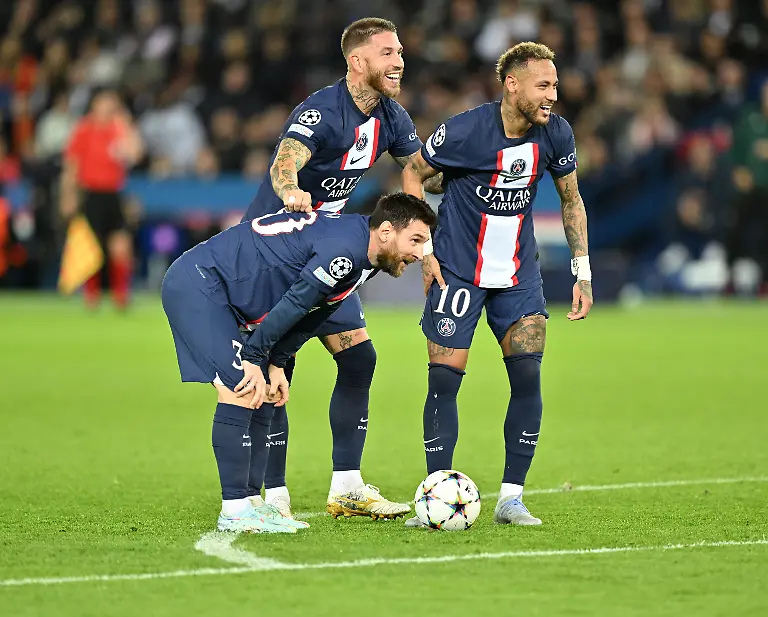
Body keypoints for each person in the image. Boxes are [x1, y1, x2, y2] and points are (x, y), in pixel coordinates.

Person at [240, 17, 443, 520]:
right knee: (276, 365)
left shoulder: (392, 116)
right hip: (276, 254)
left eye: (400, 52)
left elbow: (421, 171)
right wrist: (291, 190)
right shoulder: (322, 111)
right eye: (387, 53)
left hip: (330, 252)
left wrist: (478, 164)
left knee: (358, 359)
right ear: (357, 61)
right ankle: (274, 496)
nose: (399, 61)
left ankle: (347, 487)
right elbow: (285, 161)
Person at [162, 193, 436, 533]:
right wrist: (253, 357)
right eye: (415, 240)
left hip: (221, 289)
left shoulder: (365, 255)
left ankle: (251, 504)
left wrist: (277, 361)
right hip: (200, 284)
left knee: (259, 389)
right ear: (385, 231)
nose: (420, 253)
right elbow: (294, 303)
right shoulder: (344, 252)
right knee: (241, 389)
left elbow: (316, 312)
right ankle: (234, 510)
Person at [401, 42, 593, 527]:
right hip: (457, 271)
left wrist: (583, 271)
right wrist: (424, 250)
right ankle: (436, 495)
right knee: (444, 382)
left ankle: (511, 499)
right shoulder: (465, 130)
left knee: (527, 378)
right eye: (543, 85)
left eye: (555, 85)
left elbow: (571, 200)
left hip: (518, 276)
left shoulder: (556, 133)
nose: (553, 95)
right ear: (512, 84)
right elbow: (414, 173)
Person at [61, 89, 143, 308]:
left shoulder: (119, 128)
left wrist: (126, 125)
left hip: (114, 194)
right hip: (91, 193)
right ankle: (92, 295)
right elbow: (72, 164)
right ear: (95, 104)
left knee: (121, 245)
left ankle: (121, 295)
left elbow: (136, 155)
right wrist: (68, 194)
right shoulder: (84, 129)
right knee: (91, 246)